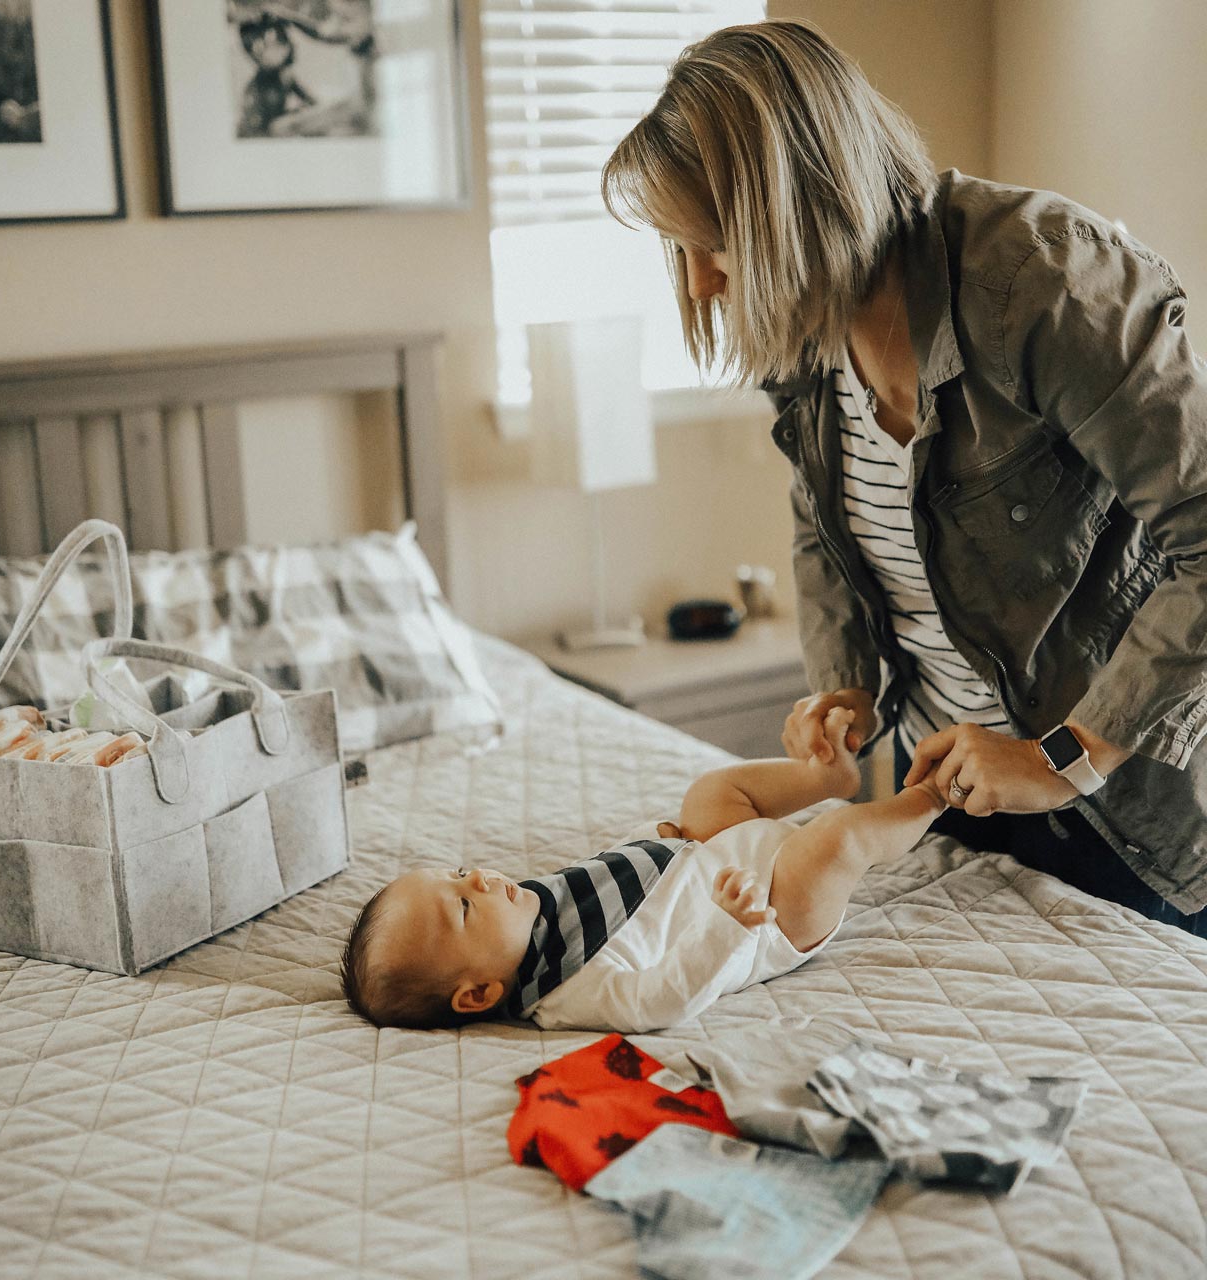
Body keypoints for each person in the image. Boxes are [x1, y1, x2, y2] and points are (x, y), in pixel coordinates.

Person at [599, 20, 1207, 934]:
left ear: (793, 212)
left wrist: (1058, 760)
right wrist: (843, 686)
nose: (698, 288)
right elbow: (820, 522)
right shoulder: (803, 321)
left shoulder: (1043, 280)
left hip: (1122, 817)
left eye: (712, 245)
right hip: (944, 801)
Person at [340, 710, 946, 1033]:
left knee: (709, 792)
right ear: (478, 994)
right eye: (464, 906)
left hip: (705, 857)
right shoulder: (571, 991)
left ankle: (826, 779)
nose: (476, 880)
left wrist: (649, 845)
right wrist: (728, 927)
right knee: (836, 841)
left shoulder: (527, 910)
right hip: (769, 914)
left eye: (457, 873)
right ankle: (934, 793)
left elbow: (605, 880)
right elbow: (663, 1000)